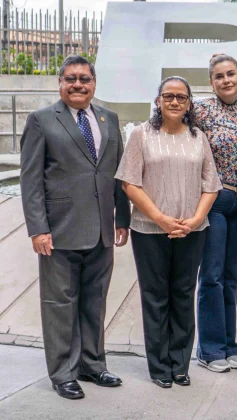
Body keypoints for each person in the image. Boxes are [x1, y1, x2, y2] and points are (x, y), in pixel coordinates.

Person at [19, 54, 130, 400]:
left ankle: (92, 364)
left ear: (94, 83)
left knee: (95, 301)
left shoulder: (108, 118)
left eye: (84, 78)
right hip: (60, 230)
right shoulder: (41, 120)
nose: (78, 84)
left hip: (101, 230)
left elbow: (117, 174)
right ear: (60, 83)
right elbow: (31, 179)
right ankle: (63, 372)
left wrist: (122, 219)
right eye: (71, 78)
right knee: (59, 303)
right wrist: (38, 229)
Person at [115, 76, 221, 389]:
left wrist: (194, 219)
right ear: (158, 100)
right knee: (155, 297)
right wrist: (161, 218)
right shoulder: (141, 135)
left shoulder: (198, 136)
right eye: (168, 96)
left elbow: (210, 184)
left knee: (184, 295)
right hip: (149, 230)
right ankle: (159, 365)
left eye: (181, 97)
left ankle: (180, 364)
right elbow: (129, 183)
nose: (174, 102)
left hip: (192, 230)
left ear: (189, 103)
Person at [195, 54, 237, 373]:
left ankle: (229, 345)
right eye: (219, 76)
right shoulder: (202, 110)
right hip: (215, 200)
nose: (226, 80)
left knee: (231, 275)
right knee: (211, 275)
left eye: (231, 74)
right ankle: (209, 349)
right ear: (211, 82)